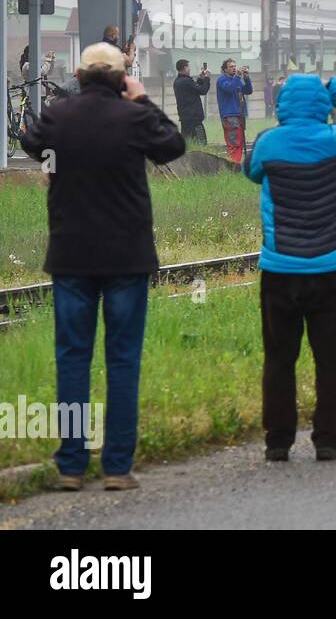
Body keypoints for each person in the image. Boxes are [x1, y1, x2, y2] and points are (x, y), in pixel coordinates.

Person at [20, 43, 186, 491]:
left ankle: (71, 466)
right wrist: (143, 99)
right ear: (121, 77)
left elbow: (30, 142)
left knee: (72, 358)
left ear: (78, 73)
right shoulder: (134, 118)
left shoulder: (59, 115)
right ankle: (117, 467)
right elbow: (173, 145)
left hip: (71, 256)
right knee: (122, 359)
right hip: (126, 257)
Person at [243, 74, 336, 461]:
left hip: (279, 271)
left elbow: (249, 169)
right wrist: (335, 85)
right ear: (323, 105)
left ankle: (278, 442)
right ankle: (328, 440)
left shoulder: (269, 143)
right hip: (329, 270)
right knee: (330, 359)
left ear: (282, 104)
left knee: (280, 359)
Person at [215, 58, 253, 163]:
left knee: (240, 142)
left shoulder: (236, 79)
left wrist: (246, 78)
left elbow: (248, 91)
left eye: (234, 66)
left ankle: (236, 165)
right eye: (231, 67)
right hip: (229, 115)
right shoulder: (222, 80)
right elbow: (230, 88)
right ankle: (233, 166)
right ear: (225, 69)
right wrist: (237, 77)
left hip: (239, 114)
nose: (234, 68)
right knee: (234, 143)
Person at [172, 58, 210, 144]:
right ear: (185, 68)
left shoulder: (177, 81)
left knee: (187, 143)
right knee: (201, 143)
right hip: (194, 119)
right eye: (189, 67)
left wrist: (200, 78)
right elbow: (203, 90)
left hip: (185, 118)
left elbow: (194, 88)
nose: (190, 69)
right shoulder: (186, 81)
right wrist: (207, 78)